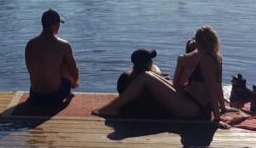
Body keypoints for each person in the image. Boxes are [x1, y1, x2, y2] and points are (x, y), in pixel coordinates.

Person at [92, 26, 229, 127]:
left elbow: (212, 88)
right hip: (189, 99)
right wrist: (223, 107)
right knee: (155, 75)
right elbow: (218, 85)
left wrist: (217, 119)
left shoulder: (206, 61)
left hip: (193, 108)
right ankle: (113, 106)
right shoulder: (216, 57)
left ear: (200, 42)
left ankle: (112, 107)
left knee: (146, 76)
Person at [25, 9, 80, 104]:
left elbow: (30, 69)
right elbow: (74, 72)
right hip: (55, 96)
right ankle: (68, 93)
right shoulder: (64, 45)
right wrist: (74, 83)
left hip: (35, 95)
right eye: (59, 24)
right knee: (64, 65)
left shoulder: (30, 44)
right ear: (55, 25)